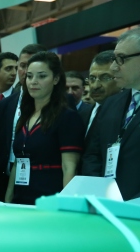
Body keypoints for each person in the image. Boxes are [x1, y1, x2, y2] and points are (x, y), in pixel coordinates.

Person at [5, 52, 85, 205]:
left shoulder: (67, 117)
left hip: (50, 198)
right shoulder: (25, 116)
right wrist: (8, 197)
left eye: (41, 76)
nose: (33, 82)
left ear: (56, 79)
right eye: (29, 76)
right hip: (20, 197)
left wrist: (66, 204)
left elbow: (69, 167)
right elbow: (18, 162)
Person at [82, 26, 140, 200]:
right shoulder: (111, 104)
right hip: (105, 203)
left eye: (121, 59)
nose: (113, 67)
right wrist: (97, 193)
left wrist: (136, 203)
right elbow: (93, 154)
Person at [0, 43, 47, 200]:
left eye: (33, 66)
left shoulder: (59, 105)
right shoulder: (6, 103)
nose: (26, 71)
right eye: (22, 66)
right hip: (3, 178)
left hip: (40, 181)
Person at [83, 51, 121, 135]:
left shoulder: (126, 114)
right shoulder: (82, 114)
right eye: (92, 78)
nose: (95, 86)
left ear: (119, 78)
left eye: (105, 78)